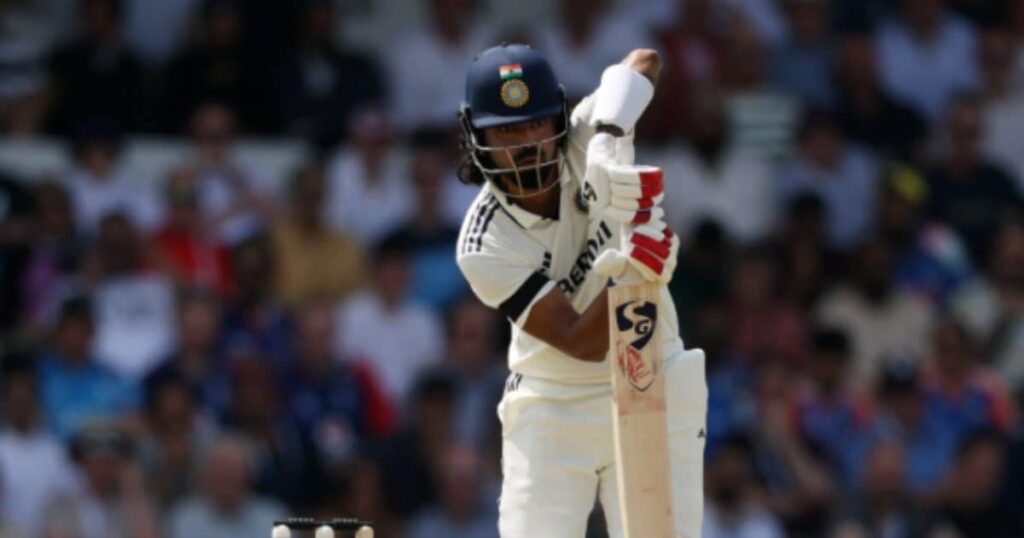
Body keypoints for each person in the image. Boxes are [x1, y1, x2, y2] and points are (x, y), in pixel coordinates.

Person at [455, 43, 706, 536]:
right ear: (476, 136)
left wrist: (609, 137)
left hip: (651, 372)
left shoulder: (586, 135)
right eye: (507, 130)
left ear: (559, 120)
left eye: (537, 124)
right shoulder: (483, 241)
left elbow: (646, 61)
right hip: (555, 400)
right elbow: (580, 340)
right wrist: (639, 273)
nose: (527, 142)